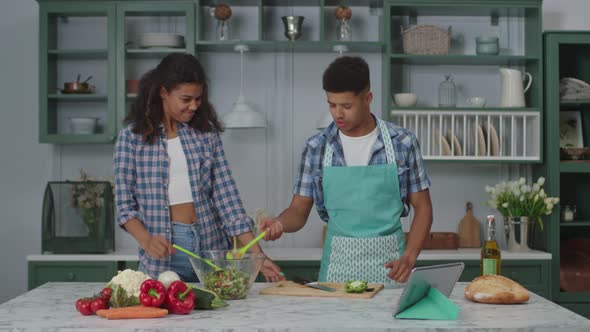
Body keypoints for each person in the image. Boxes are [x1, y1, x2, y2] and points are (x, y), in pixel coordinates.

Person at [260, 56, 433, 286]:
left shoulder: (402, 142)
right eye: (332, 105)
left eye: (347, 106)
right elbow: (298, 210)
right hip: (336, 275)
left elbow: (423, 207)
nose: (338, 114)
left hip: (392, 273)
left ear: (367, 98)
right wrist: (280, 223)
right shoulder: (317, 147)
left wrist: (409, 257)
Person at [114, 53, 284, 282]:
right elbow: (124, 206)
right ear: (163, 92)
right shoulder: (132, 138)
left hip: (212, 253)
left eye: (198, 98)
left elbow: (228, 201)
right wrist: (146, 240)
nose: (194, 105)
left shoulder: (206, 136)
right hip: (164, 258)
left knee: (218, 313)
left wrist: (258, 257)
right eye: (186, 99)